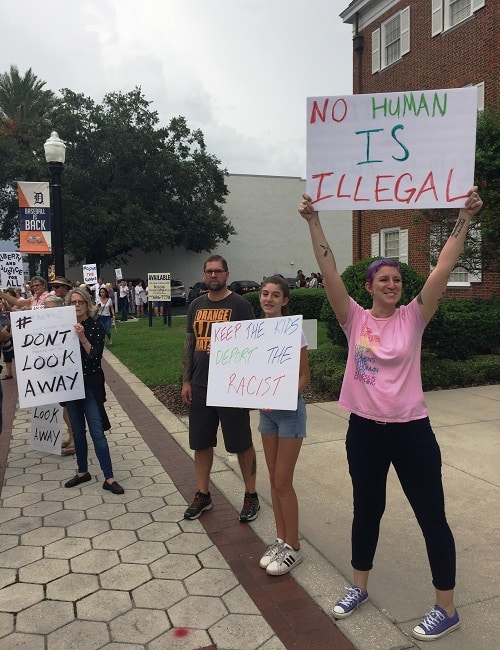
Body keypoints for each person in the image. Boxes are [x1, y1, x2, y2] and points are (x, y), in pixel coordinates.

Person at [298, 187, 483, 641]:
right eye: (383, 278)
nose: (392, 284)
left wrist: (464, 217)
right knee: (367, 509)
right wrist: (313, 220)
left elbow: (443, 267)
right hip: (364, 431)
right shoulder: (354, 319)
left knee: (431, 516)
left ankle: (447, 605)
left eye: (397, 280)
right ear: (369, 286)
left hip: (411, 433)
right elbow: (326, 269)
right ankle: (358, 586)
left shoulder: (414, 317)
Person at [181, 254, 260, 522]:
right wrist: (186, 380)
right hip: (201, 385)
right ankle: (203, 494)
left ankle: (251, 495)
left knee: (241, 443)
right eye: (208, 271)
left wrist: (231, 350)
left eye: (218, 271)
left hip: (231, 386)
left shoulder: (240, 305)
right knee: (201, 443)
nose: (213, 275)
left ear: (227, 274)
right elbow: (189, 344)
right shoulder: (196, 305)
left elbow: (253, 346)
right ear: (204, 275)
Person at [257, 275, 310, 575]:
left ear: (285, 300)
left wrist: (286, 393)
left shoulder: (294, 331)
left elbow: (304, 375)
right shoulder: (251, 331)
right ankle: (280, 539)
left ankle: (294, 547)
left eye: (275, 295)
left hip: (289, 412)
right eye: (265, 294)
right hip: (267, 414)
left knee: (282, 481)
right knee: (272, 479)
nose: (269, 299)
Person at [64, 287, 124, 494]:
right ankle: (82, 471)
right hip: (70, 386)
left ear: (87, 304)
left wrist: (81, 337)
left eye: (80, 302)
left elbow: (94, 356)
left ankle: (109, 477)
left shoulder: (95, 327)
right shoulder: (62, 327)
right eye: (73, 302)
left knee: (97, 432)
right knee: (78, 432)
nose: (77, 306)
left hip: (89, 386)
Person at [43, 294, 75, 455]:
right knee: (62, 407)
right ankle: (71, 435)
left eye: (47, 309)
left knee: (70, 406)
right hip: (52, 372)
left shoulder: (66, 324)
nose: (44, 312)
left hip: (66, 373)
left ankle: (76, 438)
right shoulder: (41, 326)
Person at [0, 289, 16, 380]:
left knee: (8, 354)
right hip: (4, 336)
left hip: (8, 336)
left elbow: (10, 320)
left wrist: (8, 332)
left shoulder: (6, 311)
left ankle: (10, 373)